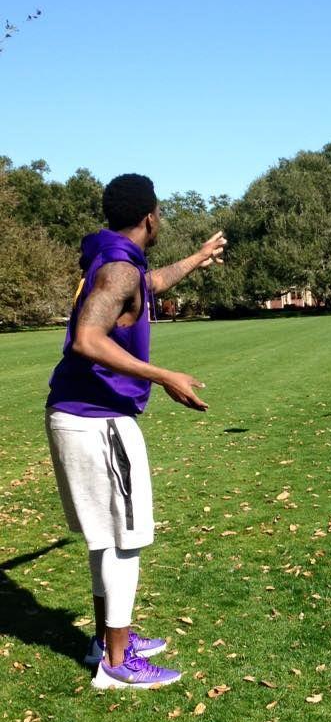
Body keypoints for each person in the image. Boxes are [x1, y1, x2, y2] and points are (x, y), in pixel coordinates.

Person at [45, 173, 226, 689]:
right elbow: (86, 338)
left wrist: (197, 257)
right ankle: (117, 664)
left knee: (107, 540)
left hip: (81, 414)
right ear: (151, 215)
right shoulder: (120, 268)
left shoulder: (117, 261)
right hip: (97, 420)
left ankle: (108, 641)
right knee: (126, 539)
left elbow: (147, 286)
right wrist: (164, 375)